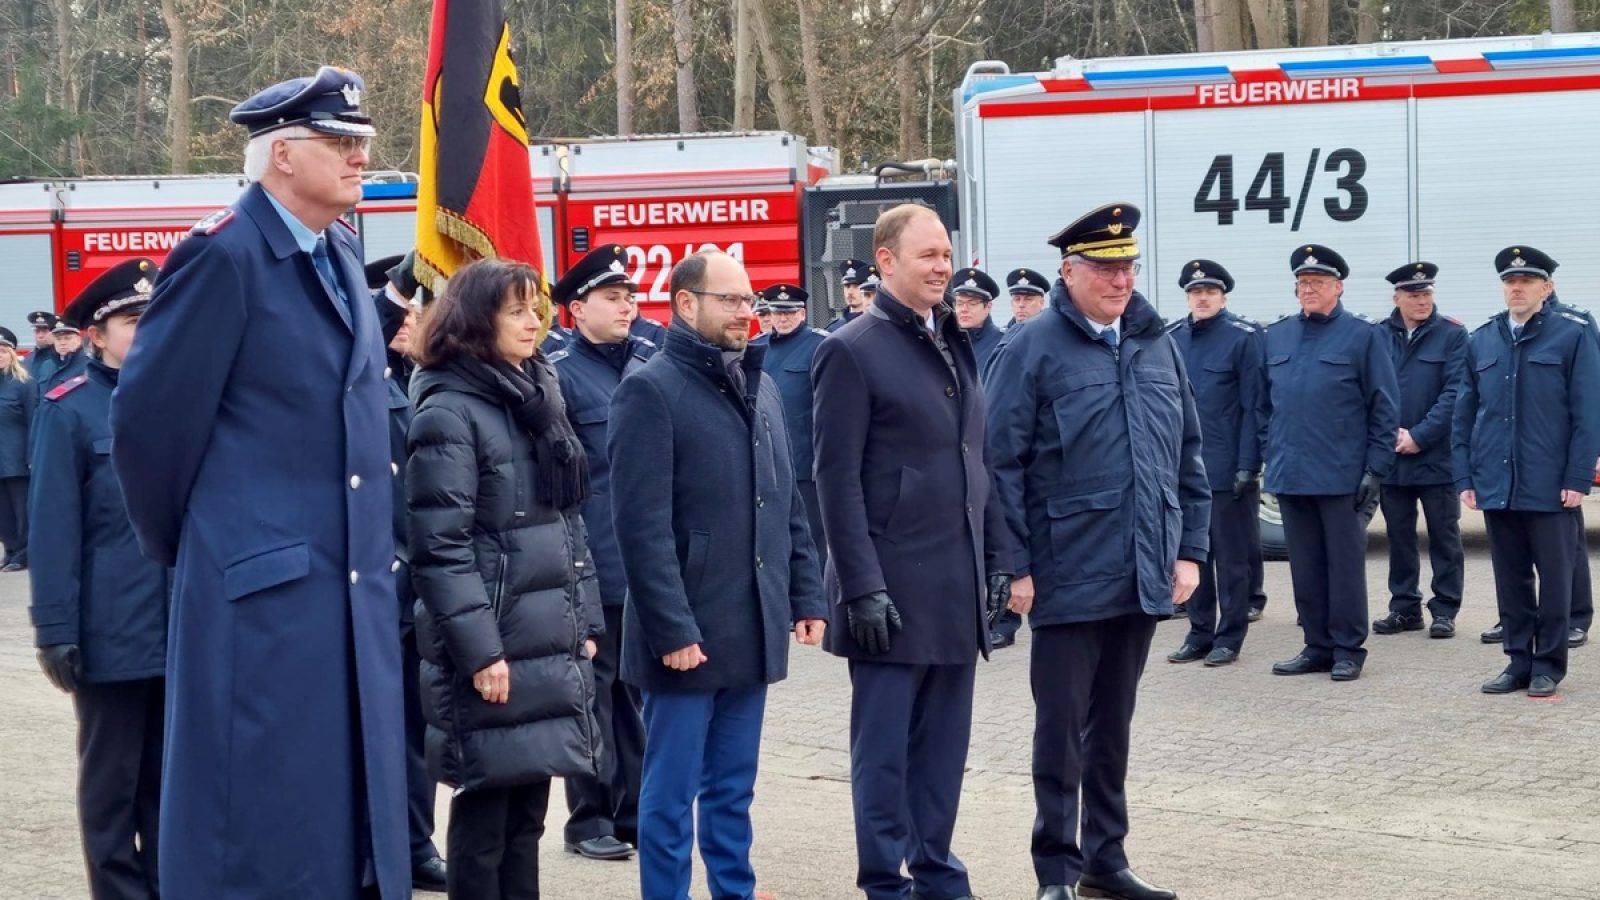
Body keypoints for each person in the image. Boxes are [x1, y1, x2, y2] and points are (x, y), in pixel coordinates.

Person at [109, 67, 410, 899]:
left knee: (343, 824)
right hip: (260, 592)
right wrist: (210, 549)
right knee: (259, 830)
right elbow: (149, 426)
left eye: (362, 144)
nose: (358, 159)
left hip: (347, 588)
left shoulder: (340, 251)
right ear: (282, 155)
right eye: (341, 143)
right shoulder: (224, 256)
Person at [985, 203, 1206, 900]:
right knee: (1061, 733)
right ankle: (1056, 867)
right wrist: (1014, 567)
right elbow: (999, 467)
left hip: (1143, 571)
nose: (1120, 281)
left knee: (1112, 727)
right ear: (1069, 272)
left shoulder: (1154, 342)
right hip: (1065, 571)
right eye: (1106, 269)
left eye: (1128, 268)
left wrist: (1190, 549)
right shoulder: (1031, 348)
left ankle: (1105, 862)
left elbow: (1187, 453)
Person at [609, 249, 826, 900]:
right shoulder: (650, 390)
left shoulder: (757, 385)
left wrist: (806, 592)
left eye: (748, 300)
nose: (746, 312)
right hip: (684, 636)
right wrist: (672, 630)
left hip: (750, 624)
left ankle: (735, 890)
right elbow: (640, 529)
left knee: (733, 789)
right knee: (671, 796)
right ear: (684, 304)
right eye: (730, 300)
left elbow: (784, 501)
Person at [812, 204, 1011, 900]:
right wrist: (860, 585)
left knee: (942, 753)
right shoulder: (851, 349)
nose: (942, 266)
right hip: (890, 593)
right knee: (887, 754)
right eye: (927, 255)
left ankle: (936, 869)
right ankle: (884, 880)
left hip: (955, 588)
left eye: (947, 254)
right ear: (887, 261)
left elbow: (975, 462)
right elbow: (834, 480)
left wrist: (998, 560)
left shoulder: (954, 339)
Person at [405, 258, 603, 899]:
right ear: (474, 321)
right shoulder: (450, 409)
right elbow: (441, 547)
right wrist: (481, 652)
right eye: (515, 310)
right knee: (486, 816)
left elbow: (569, 522)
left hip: (546, 636)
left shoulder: (537, 392)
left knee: (528, 818)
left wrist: (588, 620)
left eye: (536, 308)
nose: (533, 321)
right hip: (493, 647)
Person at [28, 257, 170, 900]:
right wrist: (55, 630)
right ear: (95, 335)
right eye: (135, 320)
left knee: (170, 784)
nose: (150, 329)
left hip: (182, 630)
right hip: (112, 632)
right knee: (112, 784)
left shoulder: (181, 400)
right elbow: (53, 532)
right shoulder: (70, 410)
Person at [1456, 246, 1600, 699]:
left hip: (1549, 484)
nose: (1516, 289)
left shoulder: (1570, 335)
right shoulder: (1483, 339)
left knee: (1556, 581)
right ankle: (1518, 661)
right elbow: (1465, 413)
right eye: (1510, 282)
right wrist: (1465, 477)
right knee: (1510, 578)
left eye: (1527, 282)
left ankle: (1549, 666)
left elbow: (1588, 413)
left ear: (1547, 287)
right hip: (1497, 483)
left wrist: (1578, 478)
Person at [547, 244, 650, 863]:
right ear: (576, 309)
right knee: (591, 693)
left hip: (645, 560)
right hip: (591, 560)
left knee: (634, 694)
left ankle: (634, 809)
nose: (627, 306)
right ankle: (588, 818)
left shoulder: (647, 360)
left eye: (630, 296)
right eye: (613, 298)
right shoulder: (557, 372)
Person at [1262, 245, 1399, 683]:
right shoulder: (1277, 335)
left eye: (1317, 283)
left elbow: (1384, 407)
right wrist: (1270, 453)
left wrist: (1376, 469)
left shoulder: (1363, 336)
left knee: (1343, 568)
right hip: (1291, 474)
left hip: (1341, 476)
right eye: (1303, 283)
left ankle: (1348, 649)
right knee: (1305, 568)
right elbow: (1264, 405)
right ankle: (1316, 646)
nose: (1308, 290)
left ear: (1337, 287)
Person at [363, 252, 448, 893]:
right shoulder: (364, 371)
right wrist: (399, 288)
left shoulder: (422, 378)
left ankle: (415, 843)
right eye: (401, 311)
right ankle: (379, 845)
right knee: (378, 729)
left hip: (419, 584)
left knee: (416, 732)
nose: (408, 321)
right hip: (372, 586)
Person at [1164, 259, 1263, 669]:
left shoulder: (1243, 339)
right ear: (1187, 295)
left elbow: (1254, 406)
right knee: (1193, 554)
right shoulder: (1170, 339)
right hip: (1184, 471)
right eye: (1195, 291)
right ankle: (1199, 633)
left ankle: (1230, 636)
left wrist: (1247, 465)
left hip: (1226, 471)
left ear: (1223, 296)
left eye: (1210, 291)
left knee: (1232, 560)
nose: (1202, 297)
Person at [1373, 262, 1468, 640]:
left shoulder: (1453, 335)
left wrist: (1420, 435)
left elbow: (1456, 393)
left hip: (1436, 456)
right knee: (1398, 537)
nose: (1422, 300)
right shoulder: (1378, 335)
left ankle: (1445, 609)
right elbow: (1372, 389)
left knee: (1445, 536)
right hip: (1392, 456)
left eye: (1426, 293)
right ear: (1397, 298)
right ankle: (1404, 608)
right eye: (1413, 295)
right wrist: (1389, 435)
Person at [760, 282, 829, 570]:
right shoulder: (757, 347)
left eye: (790, 312)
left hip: (805, 467)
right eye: (777, 312)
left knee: (813, 543)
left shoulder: (820, 345)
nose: (783, 318)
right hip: (766, 466)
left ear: (803, 313)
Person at [0, 326, 33, 572]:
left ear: (12, 354)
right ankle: (10, 550)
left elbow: (34, 421)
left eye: (3, 351)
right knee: (3, 513)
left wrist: (33, 456)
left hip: (17, 459)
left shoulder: (23, 384)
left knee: (22, 511)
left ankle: (23, 553)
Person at [954, 267, 1005, 372]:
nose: (964, 309)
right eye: (959, 303)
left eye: (972, 304)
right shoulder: (948, 340)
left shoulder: (1002, 344)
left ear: (988, 306)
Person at [38, 316, 87, 398]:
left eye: (67, 338)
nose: (62, 343)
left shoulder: (88, 366)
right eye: (58, 339)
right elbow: (38, 398)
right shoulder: (47, 365)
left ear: (78, 340)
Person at [826, 257, 872, 332]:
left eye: (856, 286)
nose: (850, 292)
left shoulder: (876, 324)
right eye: (847, 286)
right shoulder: (833, 329)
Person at [24, 311, 57, 382]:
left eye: (45, 331)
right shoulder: (28, 358)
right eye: (37, 331)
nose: (40, 336)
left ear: (53, 333)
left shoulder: (60, 357)